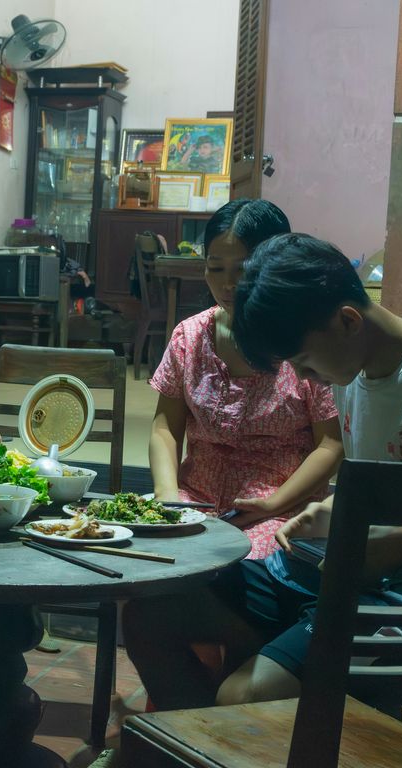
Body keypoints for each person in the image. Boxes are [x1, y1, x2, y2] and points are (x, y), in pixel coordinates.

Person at [125, 233, 402, 711]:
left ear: (347, 320)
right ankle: (196, 749)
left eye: (304, 362)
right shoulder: (353, 372)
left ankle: (218, 739)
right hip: (340, 571)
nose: (305, 379)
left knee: (244, 693)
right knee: (151, 612)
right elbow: (387, 488)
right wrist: (326, 511)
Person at [147, 200, 343, 560]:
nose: (227, 284)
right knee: (151, 557)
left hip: (281, 504)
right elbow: (165, 427)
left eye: (243, 269)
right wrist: (167, 496)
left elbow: (331, 444)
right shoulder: (189, 337)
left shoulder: (304, 339)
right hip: (195, 498)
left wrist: (272, 504)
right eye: (215, 268)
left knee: (239, 565)